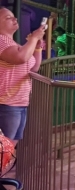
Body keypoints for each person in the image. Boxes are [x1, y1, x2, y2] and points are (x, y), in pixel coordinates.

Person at [0, 9, 46, 146]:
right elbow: (20, 58)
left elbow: (33, 68)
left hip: (20, 102)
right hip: (6, 103)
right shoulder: (1, 41)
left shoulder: (14, 44)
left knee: (9, 147)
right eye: (8, 17)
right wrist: (33, 38)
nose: (15, 19)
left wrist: (37, 48)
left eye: (14, 17)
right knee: (4, 147)